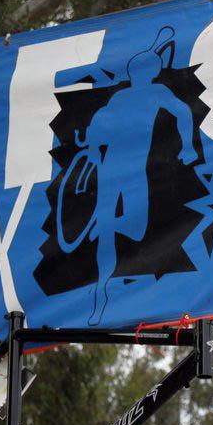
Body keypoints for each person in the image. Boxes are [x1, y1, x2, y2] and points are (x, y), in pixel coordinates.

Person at [77, 27, 196, 324]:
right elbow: (183, 113)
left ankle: (106, 234)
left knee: (132, 229)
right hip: (122, 169)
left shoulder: (126, 96)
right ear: (153, 72)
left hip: (119, 169)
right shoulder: (151, 92)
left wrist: (92, 146)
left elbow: (99, 124)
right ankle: (101, 293)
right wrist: (189, 146)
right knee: (132, 229)